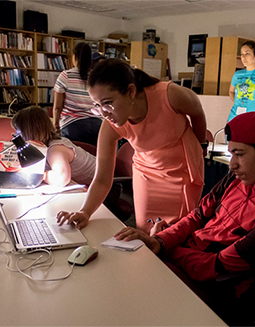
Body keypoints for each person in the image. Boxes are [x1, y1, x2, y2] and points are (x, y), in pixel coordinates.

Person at [114, 112, 255, 325]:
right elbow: (197, 217)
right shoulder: (237, 180)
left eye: (239, 154)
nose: (232, 165)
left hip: (219, 285)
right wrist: (160, 240)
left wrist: (166, 249)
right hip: (191, 258)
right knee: (130, 270)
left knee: (139, 289)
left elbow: (216, 265)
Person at [57, 59, 207, 234]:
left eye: (108, 102)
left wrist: (202, 143)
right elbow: (102, 179)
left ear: (130, 91)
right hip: (147, 172)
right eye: (97, 106)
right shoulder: (110, 125)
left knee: (178, 231)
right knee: (145, 229)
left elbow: (197, 112)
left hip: (182, 169)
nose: (104, 113)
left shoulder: (169, 94)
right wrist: (85, 211)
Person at [12, 106, 96, 187]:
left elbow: (62, 179)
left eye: (19, 134)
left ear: (31, 132)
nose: (16, 136)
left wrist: (39, 175)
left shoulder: (56, 149)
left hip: (105, 183)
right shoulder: (45, 146)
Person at [52, 42, 102, 147]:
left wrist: (56, 125)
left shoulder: (66, 76)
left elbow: (58, 107)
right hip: (98, 125)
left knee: (74, 160)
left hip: (73, 126)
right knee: (94, 160)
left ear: (74, 57)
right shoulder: (97, 77)